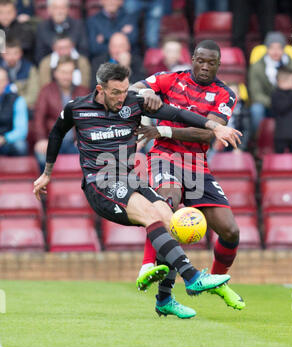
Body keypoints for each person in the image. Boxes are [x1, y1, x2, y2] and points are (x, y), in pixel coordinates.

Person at [33, 62, 242, 318]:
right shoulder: (77, 108)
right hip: (100, 181)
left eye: (124, 91)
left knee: (170, 219)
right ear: (100, 89)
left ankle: (164, 299)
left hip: (130, 179)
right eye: (116, 93)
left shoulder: (133, 102)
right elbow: (55, 134)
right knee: (151, 215)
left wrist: (215, 127)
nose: (122, 98)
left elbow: (178, 114)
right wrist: (46, 174)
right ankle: (193, 277)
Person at [131, 40, 246, 314]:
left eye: (211, 63)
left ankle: (214, 281)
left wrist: (163, 130)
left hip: (197, 163)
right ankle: (149, 265)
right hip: (164, 157)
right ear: (192, 58)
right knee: (167, 203)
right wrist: (145, 93)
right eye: (200, 60)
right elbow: (134, 88)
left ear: (219, 65)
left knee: (230, 231)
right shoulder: (171, 79)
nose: (205, 67)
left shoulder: (225, 94)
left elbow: (209, 133)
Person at [34, 56, 90, 171]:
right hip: (53, 140)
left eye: (70, 72)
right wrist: (41, 139)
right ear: (56, 73)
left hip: (75, 142)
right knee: (41, 154)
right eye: (63, 72)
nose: (67, 76)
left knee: (92, 155)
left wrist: (83, 139)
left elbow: (89, 119)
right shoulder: (46, 91)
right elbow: (39, 118)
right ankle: (45, 186)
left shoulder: (83, 91)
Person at [249, 31, 292, 135]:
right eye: (272, 48)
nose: (275, 52)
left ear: (284, 49)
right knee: (256, 110)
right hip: (269, 105)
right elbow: (256, 94)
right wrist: (275, 102)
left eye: (279, 48)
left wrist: (288, 102)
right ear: (267, 49)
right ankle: (258, 141)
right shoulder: (257, 67)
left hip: (291, 105)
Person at [0, 37, 39, 112]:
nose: (12, 57)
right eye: (7, 53)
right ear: (2, 54)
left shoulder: (30, 68)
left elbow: (33, 95)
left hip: (23, 108)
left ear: (21, 53)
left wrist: (17, 104)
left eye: (15, 53)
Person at [0, 67, 28, 156]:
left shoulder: (17, 100)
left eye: (1, 81)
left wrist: (4, 138)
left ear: (7, 82)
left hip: (7, 141)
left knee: (21, 146)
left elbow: (21, 131)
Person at [271, 67, 292, 153]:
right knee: (279, 158)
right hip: (280, 134)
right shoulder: (275, 94)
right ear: (282, 82)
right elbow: (281, 108)